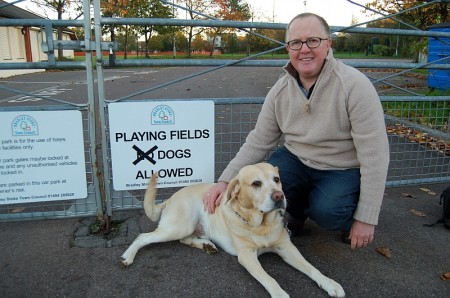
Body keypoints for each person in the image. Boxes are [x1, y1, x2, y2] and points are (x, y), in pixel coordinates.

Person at [203, 12, 389, 250]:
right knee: (269, 179)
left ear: (328, 43)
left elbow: (375, 155)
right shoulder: (280, 91)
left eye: (313, 40)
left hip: (341, 168)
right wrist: (225, 180)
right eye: (296, 43)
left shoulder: (354, 86)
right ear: (288, 48)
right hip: (297, 161)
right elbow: (259, 141)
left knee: (328, 210)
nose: (304, 49)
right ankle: (297, 214)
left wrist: (367, 217)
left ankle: (347, 216)